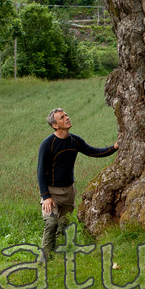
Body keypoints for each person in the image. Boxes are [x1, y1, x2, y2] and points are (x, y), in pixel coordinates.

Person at [37, 107, 118, 260]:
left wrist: (114, 148)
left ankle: (60, 256)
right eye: (62, 117)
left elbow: (93, 151)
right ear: (55, 125)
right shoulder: (47, 144)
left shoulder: (75, 140)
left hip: (68, 193)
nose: (67, 118)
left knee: (62, 226)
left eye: (66, 115)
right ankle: (44, 259)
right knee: (51, 223)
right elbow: (40, 172)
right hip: (51, 193)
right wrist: (46, 196)